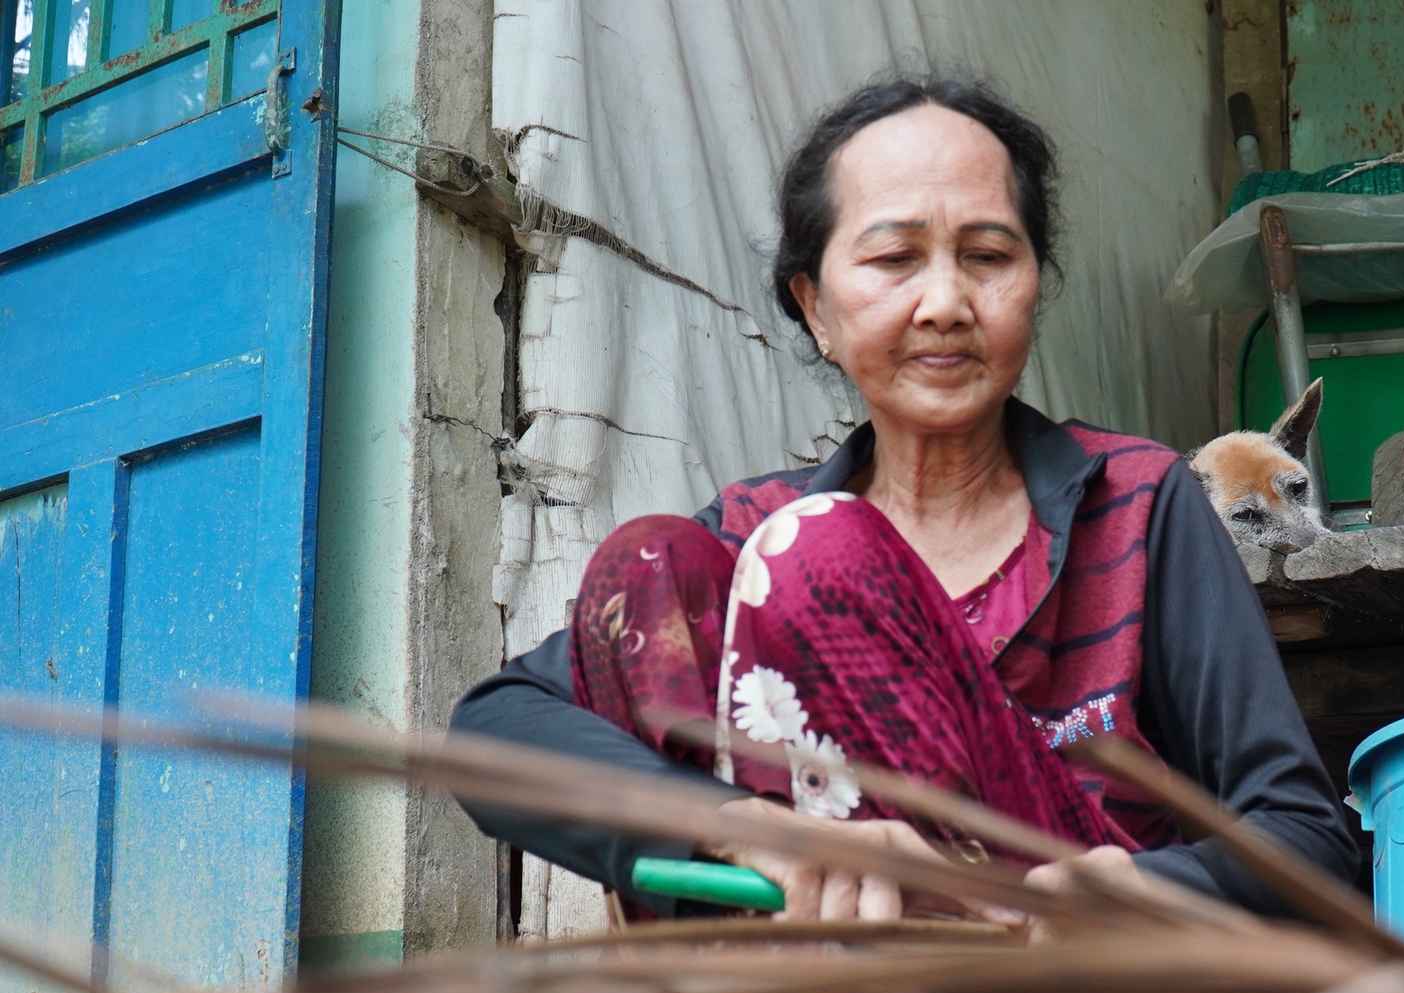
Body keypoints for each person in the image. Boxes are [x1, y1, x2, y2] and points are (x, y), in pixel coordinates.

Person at [452, 75, 1356, 922]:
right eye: (894, 257)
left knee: (823, 555)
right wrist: (745, 829)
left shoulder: (1135, 502)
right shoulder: (749, 540)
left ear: (1034, 286)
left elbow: (1305, 836)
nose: (945, 302)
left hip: (1056, 985)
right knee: (651, 559)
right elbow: (493, 734)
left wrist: (1146, 890)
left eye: (988, 255)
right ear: (814, 306)